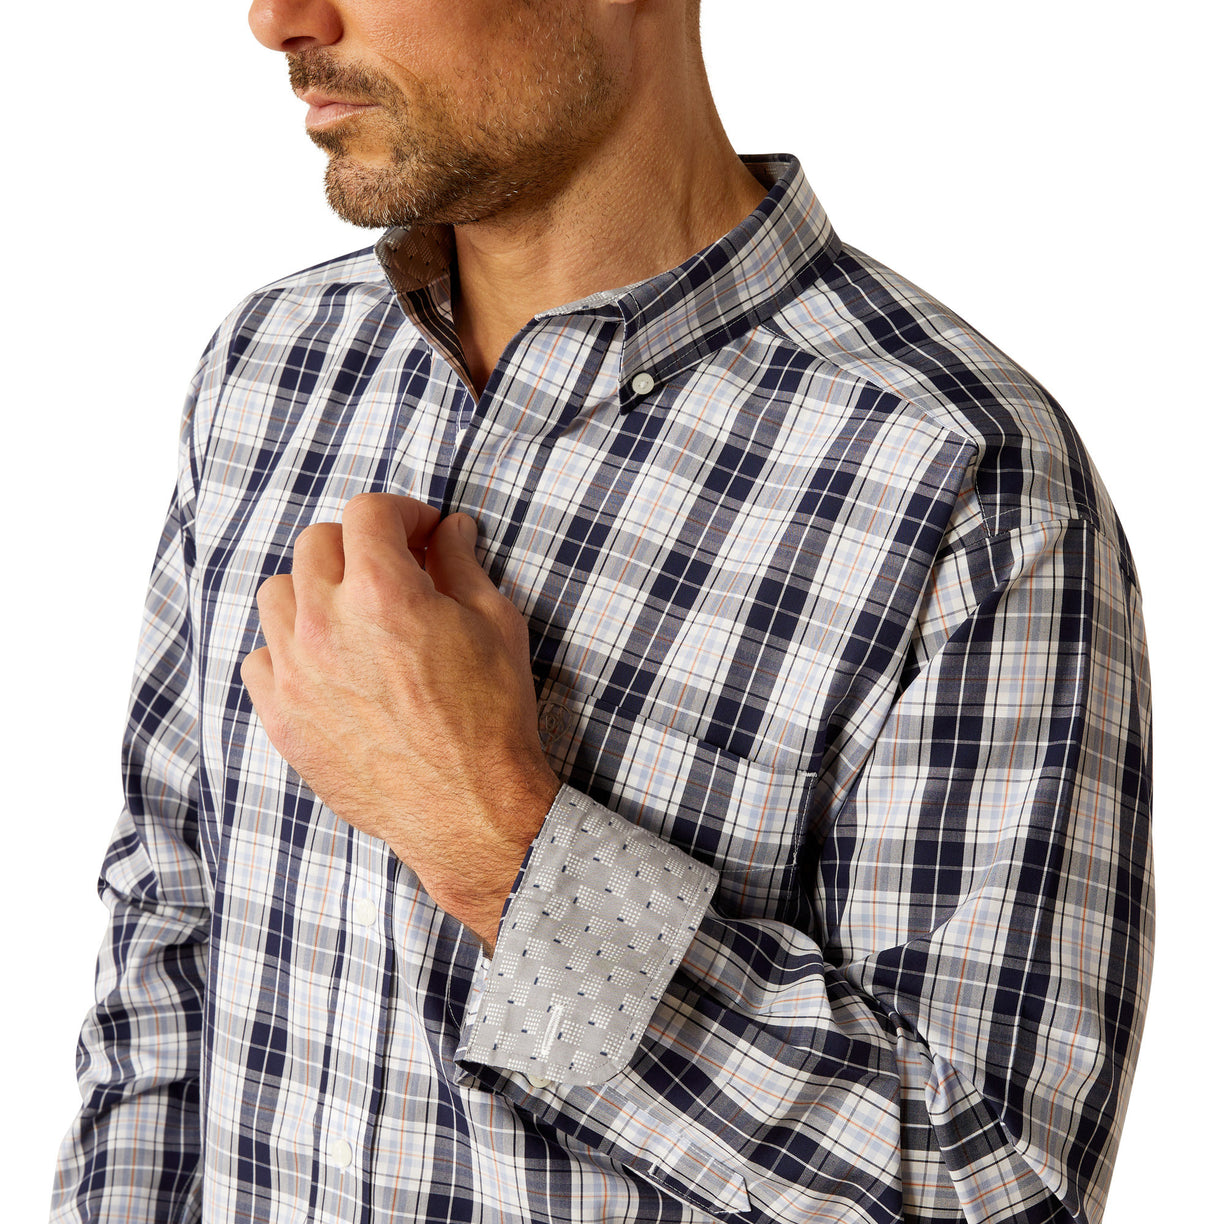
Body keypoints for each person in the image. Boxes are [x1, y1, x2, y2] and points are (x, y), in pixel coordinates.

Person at [50, 1, 1154, 1221]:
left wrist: (494, 838)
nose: (278, 21)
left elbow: (988, 1188)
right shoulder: (272, 362)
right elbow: (166, 934)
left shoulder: (960, 482)